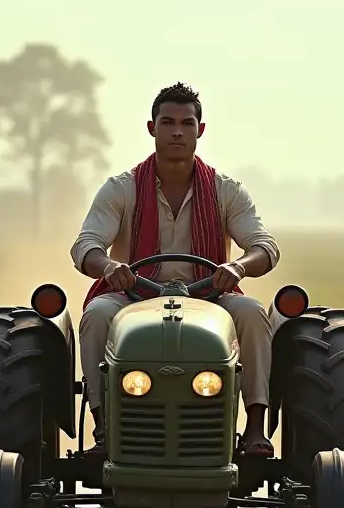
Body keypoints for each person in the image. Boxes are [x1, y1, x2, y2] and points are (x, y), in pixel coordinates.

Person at [69, 81, 280, 459]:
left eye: (186, 123)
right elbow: (85, 246)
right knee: (97, 314)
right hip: (134, 293)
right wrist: (110, 266)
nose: (177, 131)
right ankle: (104, 429)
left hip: (210, 295)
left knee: (252, 313)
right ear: (152, 129)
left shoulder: (225, 191)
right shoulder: (122, 188)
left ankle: (255, 429)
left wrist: (237, 266)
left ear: (201, 130)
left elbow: (265, 247)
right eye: (167, 122)